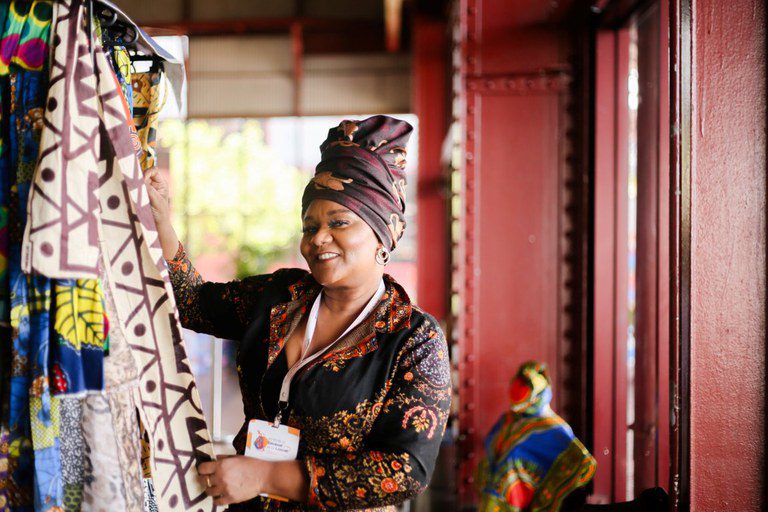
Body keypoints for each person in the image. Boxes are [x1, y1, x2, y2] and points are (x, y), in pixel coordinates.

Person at [145, 115, 452, 511]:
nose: (318, 238)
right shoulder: (280, 296)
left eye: (338, 222)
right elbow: (192, 304)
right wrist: (161, 221)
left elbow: (406, 470)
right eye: (309, 227)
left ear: (383, 235)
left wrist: (266, 477)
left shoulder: (413, 338)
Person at [475, 361, 596, 512]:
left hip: (521, 496)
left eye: (523, 392)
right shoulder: (508, 420)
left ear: (537, 396)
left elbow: (576, 459)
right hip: (498, 493)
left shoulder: (554, 428)